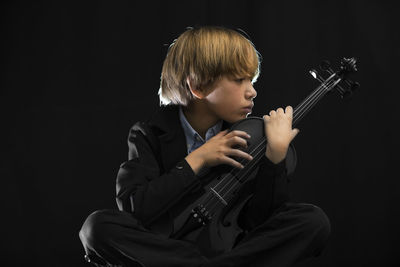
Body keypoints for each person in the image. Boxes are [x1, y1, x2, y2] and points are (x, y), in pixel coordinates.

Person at [79, 25, 331, 267]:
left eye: (251, 80)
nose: (252, 92)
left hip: (224, 246)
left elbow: (260, 219)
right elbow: (136, 208)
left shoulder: (250, 137)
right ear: (198, 86)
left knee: (312, 221)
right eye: (239, 80)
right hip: (164, 243)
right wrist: (198, 159)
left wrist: (274, 156)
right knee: (96, 227)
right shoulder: (148, 133)